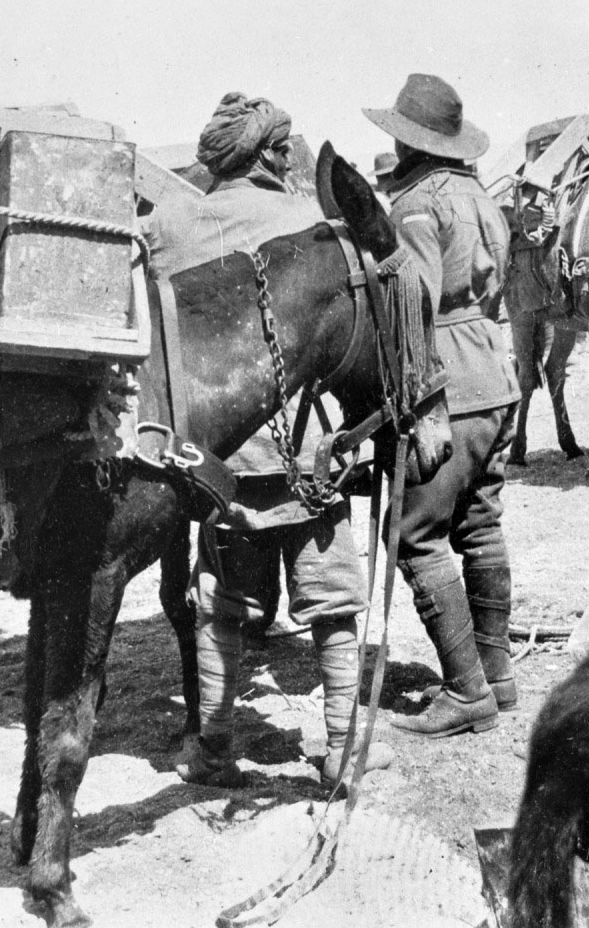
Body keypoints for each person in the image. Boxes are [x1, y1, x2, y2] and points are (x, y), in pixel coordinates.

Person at [142, 92, 395, 788]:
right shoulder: (307, 221)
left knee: (221, 602)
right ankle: (343, 751)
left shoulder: (166, 227)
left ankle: (213, 748)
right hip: (305, 446)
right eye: (285, 151)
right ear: (270, 156)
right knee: (333, 603)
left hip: (216, 452)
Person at [364, 74, 520, 739]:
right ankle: (498, 675)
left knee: (415, 533)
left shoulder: (414, 205)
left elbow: (412, 306)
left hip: (446, 384)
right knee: (481, 525)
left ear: (408, 140)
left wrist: (412, 402)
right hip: (497, 377)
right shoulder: (481, 197)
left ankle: (465, 691)